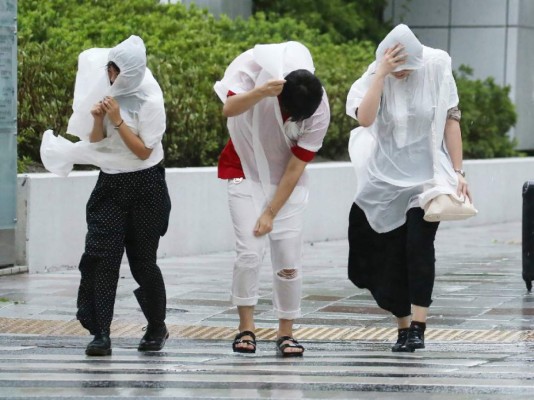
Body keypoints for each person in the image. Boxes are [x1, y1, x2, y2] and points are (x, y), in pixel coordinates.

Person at [40, 35, 171, 356]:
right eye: (108, 71)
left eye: (114, 71)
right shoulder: (107, 94)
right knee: (100, 258)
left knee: (143, 262)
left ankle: (157, 326)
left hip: (146, 185)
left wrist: (117, 119)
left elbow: (142, 152)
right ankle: (100, 332)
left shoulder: (151, 100)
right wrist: (98, 119)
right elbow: (96, 142)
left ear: (129, 72)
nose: (110, 77)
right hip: (110, 186)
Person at [345, 24, 470, 352]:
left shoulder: (437, 65)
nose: (402, 75)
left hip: (427, 178)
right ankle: (401, 324)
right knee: (388, 256)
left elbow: (451, 119)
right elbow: (365, 119)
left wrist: (458, 171)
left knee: (418, 247)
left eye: (405, 69)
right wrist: (381, 74)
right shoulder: (377, 75)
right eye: (395, 69)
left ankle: (418, 326)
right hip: (384, 180)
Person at [214, 41, 330, 357]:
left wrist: (270, 211)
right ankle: (246, 329)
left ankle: (286, 333)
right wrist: (260, 94)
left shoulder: (317, 106)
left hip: (284, 183)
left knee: (288, 260)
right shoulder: (257, 79)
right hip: (244, 170)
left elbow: (295, 167)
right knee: (249, 254)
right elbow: (228, 108)